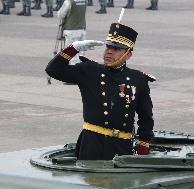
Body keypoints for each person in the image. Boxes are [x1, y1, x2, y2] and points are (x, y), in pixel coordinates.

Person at [45, 22, 155, 160]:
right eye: (108, 46)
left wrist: (143, 144)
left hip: (122, 147)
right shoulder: (90, 71)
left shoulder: (138, 79)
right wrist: (73, 48)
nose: (109, 51)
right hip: (92, 144)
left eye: (116, 49)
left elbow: (146, 117)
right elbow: (53, 70)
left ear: (128, 55)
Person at [58, 0, 86, 65]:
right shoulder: (84, 1)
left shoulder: (69, 2)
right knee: (80, 54)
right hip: (82, 29)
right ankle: (80, 70)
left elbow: (60, 15)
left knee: (71, 54)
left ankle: (74, 72)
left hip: (71, 30)